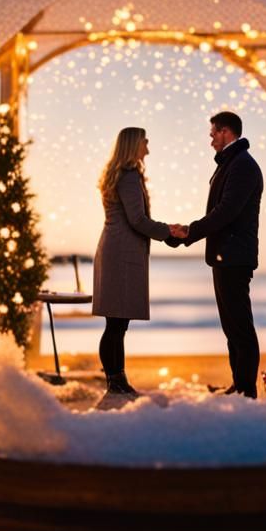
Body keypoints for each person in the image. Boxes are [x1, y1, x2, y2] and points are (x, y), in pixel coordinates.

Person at [170, 111, 263, 397]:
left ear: (226, 132)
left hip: (234, 257)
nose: (210, 140)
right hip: (226, 256)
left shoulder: (242, 166)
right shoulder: (232, 163)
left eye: (213, 134)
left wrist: (190, 232)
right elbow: (222, 212)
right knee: (232, 328)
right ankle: (240, 384)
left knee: (240, 327)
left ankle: (247, 390)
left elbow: (226, 211)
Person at [91, 126, 175, 401]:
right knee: (116, 323)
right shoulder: (128, 178)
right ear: (133, 145)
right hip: (121, 255)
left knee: (116, 322)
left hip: (114, 250)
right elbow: (137, 220)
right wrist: (168, 232)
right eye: (145, 142)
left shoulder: (121, 175)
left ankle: (117, 379)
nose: (147, 147)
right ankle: (116, 380)